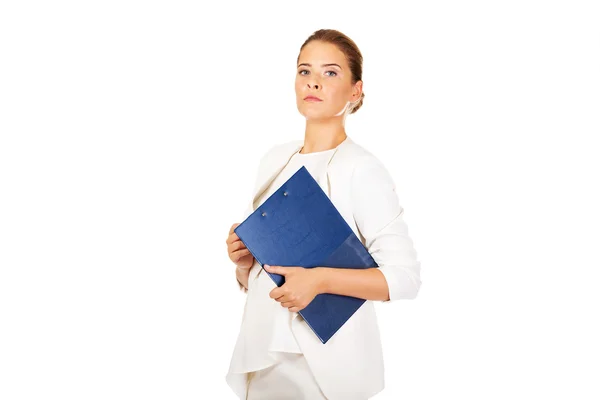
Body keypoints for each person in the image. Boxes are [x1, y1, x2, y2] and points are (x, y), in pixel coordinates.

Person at [224, 29, 422, 400]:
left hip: (325, 373)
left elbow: (405, 278)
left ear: (355, 91)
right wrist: (243, 263)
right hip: (264, 358)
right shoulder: (274, 160)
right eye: (304, 71)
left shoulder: (362, 169)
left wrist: (319, 281)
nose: (313, 82)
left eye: (330, 72)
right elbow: (274, 278)